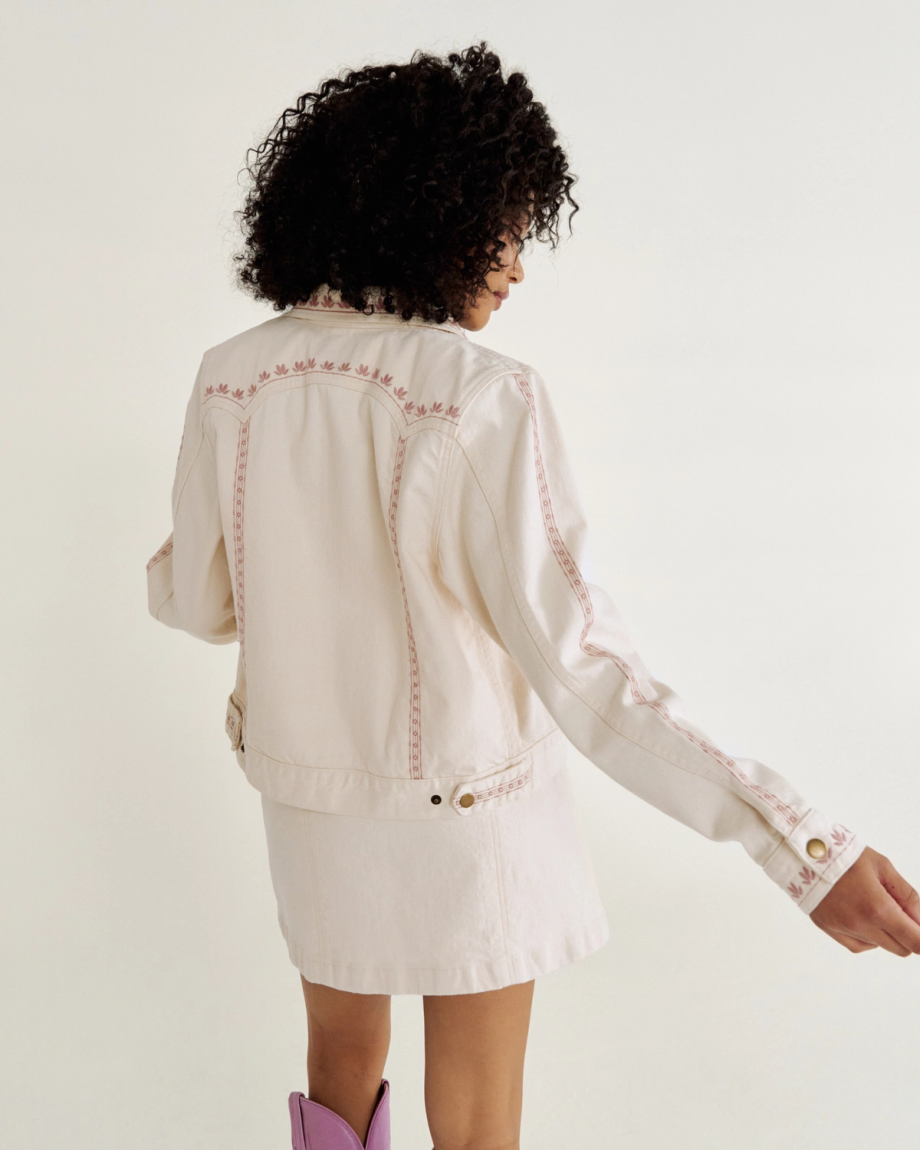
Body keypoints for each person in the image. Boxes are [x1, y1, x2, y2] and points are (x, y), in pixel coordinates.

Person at [145, 42, 920, 1150]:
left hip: (312, 806)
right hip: (471, 814)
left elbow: (194, 600)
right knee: (475, 1125)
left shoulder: (234, 373)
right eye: (504, 224)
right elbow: (582, 664)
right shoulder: (478, 394)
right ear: (432, 212)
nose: (515, 260)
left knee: (334, 1073)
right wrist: (800, 845)